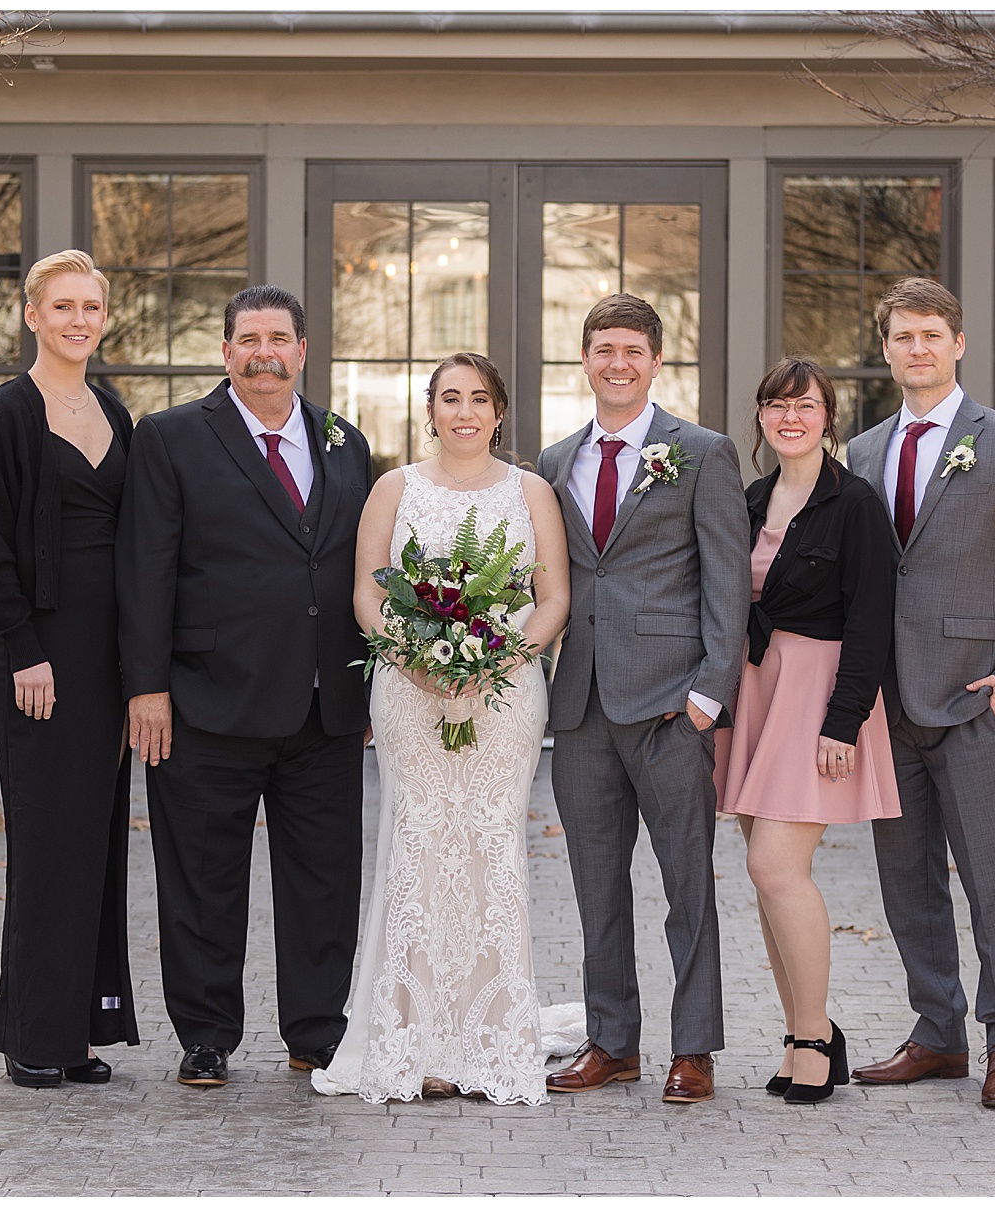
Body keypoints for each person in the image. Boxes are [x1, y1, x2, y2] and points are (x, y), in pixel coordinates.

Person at [116, 285, 374, 1089]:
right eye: (249, 338)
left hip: (323, 703)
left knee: (324, 881)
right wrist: (146, 688)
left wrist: (365, 687)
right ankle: (205, 1033)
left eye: (280, 338)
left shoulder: (345, 441)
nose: (265, 352)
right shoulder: (170, 438)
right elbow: (145, 569)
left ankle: (316, 1031)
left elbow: (355, 568)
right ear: (225, 351)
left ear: (302, 350)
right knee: (201, 875)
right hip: (204, 701)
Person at [843, 278, 995, 1110]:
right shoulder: (864, 451)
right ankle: (938, 1033)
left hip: (979, 701)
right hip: (890, 704)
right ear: (887, 349)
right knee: (906, 882)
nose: (918, 348)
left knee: (993, 880)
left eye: (932, 334)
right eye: (904, 336)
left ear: (959, 343)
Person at [312, 353, 573, 1105]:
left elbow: (551, 594)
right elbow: (365, 588)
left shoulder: (532, 493)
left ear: (499, 412)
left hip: (504, 695)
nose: (464, 412)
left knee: (491, 845)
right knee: (418, 845)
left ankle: (491, 1035)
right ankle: (411, 1037)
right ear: (432, 411)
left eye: (479, 398)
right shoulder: (394, 487)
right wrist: (412, 658)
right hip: (409, 691)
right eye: (450, 398)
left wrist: (503, 660)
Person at [538, 295, 751, 1106]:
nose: (617, 363)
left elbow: (729, 582)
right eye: (603, 349)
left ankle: (693, 1046)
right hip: (582, 705)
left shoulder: (702, 452)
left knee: (687, 883)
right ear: (585, 360)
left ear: (656, 361)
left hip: (671, 705)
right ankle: (613, 1040)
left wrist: (709, 696)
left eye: (632, 349)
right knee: (598, 885)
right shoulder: (556, 463)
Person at [0, 249, 140, 1088]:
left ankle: (76, 1031)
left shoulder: (114, 412)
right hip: (40, 655)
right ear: (32, 315)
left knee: (95, 837)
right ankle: (31, 1031)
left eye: (90, 307)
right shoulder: (5, 413)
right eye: (61, 306)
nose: (77, 320)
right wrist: (25, 646)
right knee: (44, 839)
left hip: (106, 657)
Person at [714, 357, 901, 1104]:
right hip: (759, 690)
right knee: (766, 875)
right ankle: (798, 1033)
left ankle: (819, 1031)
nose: (791, 417)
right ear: (760, 417)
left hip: (818, 693)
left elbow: (871, 621)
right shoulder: (751, 498)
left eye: (807, 405)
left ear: (830, 417)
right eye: (777, 406)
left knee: (774, 866)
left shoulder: (854, 503)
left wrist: (844, 722)